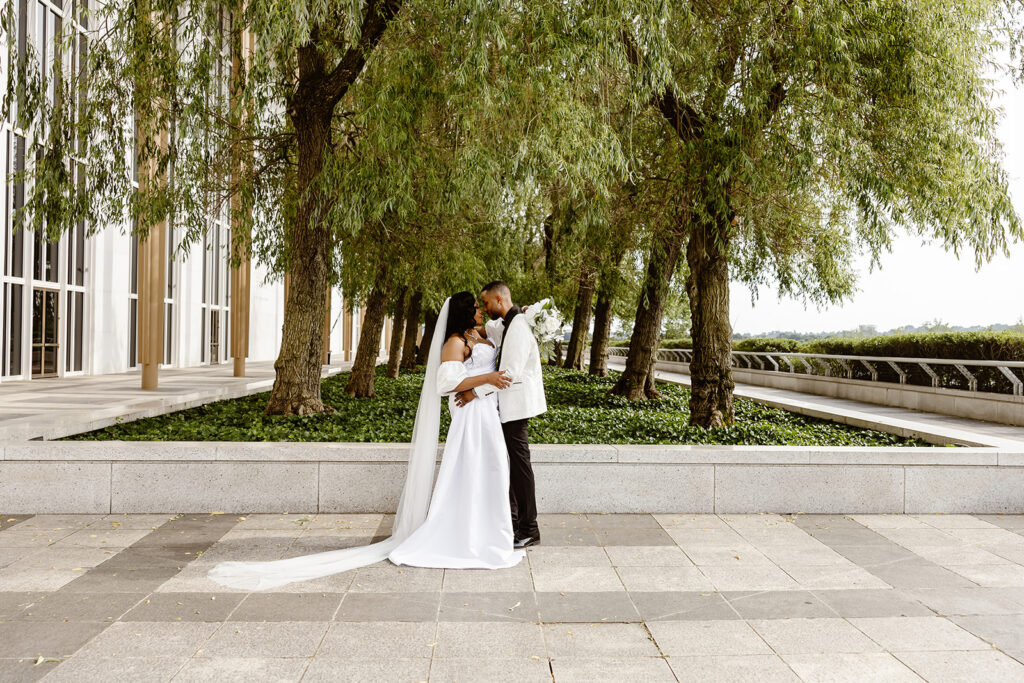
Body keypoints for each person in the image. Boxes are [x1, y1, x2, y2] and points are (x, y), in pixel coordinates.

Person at [206, 292, 525, 591]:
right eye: (475, 307)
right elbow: (445, 384)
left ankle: (487, 535)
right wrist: (486, 379)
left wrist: (524, 316)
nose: (479, 311)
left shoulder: (478, 334)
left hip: (487, 411)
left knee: (493, 472)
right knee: (470, 473)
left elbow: (504, 326)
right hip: (470, 418)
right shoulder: (455, 342)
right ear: (463, 313)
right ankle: (464, 537)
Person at [454, 281, 547, 549]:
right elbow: (486, 329)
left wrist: (474, 392)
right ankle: (514, 523)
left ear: (498, 299)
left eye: (485, 303)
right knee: (513, 466)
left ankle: (529, 529)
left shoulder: (518, 327)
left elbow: (508, 375)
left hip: (516, 407)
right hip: (505, 407)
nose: (484, 308)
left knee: (520, 467)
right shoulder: (508, 322)